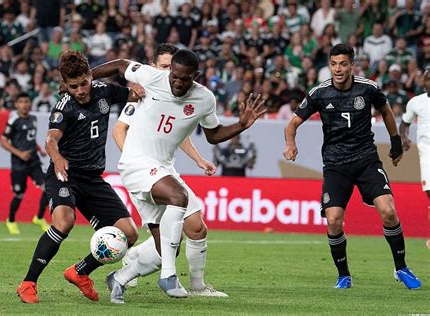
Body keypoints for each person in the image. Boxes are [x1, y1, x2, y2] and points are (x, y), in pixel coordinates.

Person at [91, 49, 266, 303]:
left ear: (194, 76)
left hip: (164, 168)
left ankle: (120, 278)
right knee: (178, 196)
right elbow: (119, 65)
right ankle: (169, 276)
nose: (177, 82)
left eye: (184, 79)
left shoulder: (204, 99)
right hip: (136, 163)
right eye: (174, 75)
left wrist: (241, 125)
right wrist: (88, 79)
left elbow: (213, 135)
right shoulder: (151, 78)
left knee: (177, 240)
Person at [283, 44, 421, 290]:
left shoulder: (368, 88)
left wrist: (396, 142)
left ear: (352, 65)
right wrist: (291, 145)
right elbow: (292, 124)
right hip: (336, 166)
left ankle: (401, 268)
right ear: (329, 65)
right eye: (334, 64)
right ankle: (344, 275)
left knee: (389, 211)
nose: (338, 69)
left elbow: (387, 112)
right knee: (334, 220)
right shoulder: (319, 93)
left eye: (343, 64)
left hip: (366, 160)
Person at [16, 51, 141, 304]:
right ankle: (28, 283)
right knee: (64, 222)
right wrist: (58, 158)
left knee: (129, 233)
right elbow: (51, 138)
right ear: (65, 84)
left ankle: (80, 271)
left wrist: (139, 89)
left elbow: (134, 95)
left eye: (84, 83)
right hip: (65, 175)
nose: (81, 90)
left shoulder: (105, 91)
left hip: (93, 178)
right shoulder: (65, 106)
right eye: (73, 86)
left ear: (90, 76)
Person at [112, 43, 226, 297]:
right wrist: (139, 165)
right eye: (165, 67)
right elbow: (119, 130)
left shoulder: (192, 97)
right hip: (144, 168)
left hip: (165, 168)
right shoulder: (142, 94)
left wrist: (198, 159)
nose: (171, 75)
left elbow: (176, 131)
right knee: (168, 240)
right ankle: (153, 268)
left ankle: (197, 285)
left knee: (196, 228)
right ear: (156, 68)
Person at [0, 92, 50, 235]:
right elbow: (3, 141)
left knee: (47, 187)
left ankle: (39, 218)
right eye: (21, 102)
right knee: (19, 194)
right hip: (19, 164)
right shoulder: (13, 120)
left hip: (34, 161)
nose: (24, 104)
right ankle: (11, 220)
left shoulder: (33, 118)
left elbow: (31, 139)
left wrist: (40, 150)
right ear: (16, 104)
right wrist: (19, 153)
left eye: (27, 101)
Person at [399, 68, 430, 249]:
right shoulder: (415, 102)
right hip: (427, 154)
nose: (428, 82)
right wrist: (404, 138)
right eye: (427, 79)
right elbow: (404, 124)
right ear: (422, 82)